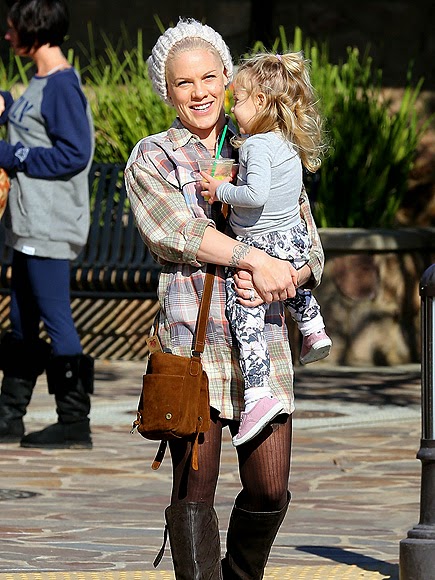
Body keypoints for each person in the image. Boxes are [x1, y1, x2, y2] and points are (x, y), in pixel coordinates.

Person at [124, 18, 324, 579]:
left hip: (263, 339)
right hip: (192, 342)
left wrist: (291, 274)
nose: (200, 92)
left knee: (270, 487)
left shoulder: (267, 145)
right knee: (195, 490)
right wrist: (255, 259)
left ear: (228, 79)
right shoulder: (154, 157)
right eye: (184, 83)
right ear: (167, 91)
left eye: (209, 77)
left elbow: (309, 243)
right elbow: (179, 232)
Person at [199, 51, 332, 447]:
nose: (232, 107)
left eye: (237, 99)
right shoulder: (286, 143)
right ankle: (313, 328)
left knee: (245, 312)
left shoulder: (256, 145)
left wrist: (220, 190)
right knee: (291, 287)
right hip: (292, 240)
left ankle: (257, 393)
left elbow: (254, 196)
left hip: (261, 242)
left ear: (260, 101)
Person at [0, 0, 95, 449]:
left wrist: (9, 154)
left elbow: (75, 153)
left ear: (33, 30)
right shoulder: (41, 81)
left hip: (50, 224)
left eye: (13, 28)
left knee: (57, 320)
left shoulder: (61, 85)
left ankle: (74, 420)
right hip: (27, 224)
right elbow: (32, 127)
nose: (7, 36)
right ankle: (9, 416)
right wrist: (5, 104)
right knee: (22, 319)